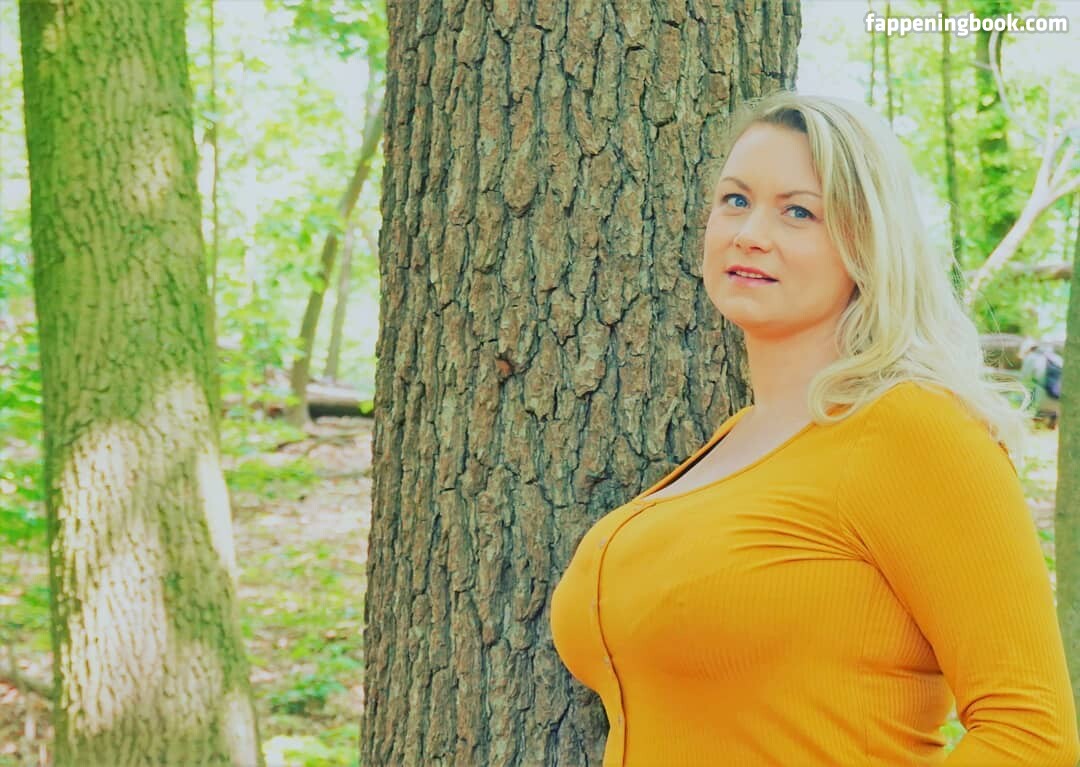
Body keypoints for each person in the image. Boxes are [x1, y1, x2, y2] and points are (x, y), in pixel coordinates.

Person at [548, 91, 1079, 766]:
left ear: (867, 245)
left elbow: (1033, 737)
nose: (750, 232)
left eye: (798, 211)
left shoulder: (913, 428)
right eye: (735, 200)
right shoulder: (734, 440)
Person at [1019, 337, 1063, 429]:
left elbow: (1024, 379)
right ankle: (1051, 424)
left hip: (1041, 398)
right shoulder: (1056, 358)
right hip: (1058, 397)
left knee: (1032, 399)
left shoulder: (1031, 357)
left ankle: (1034, 427)